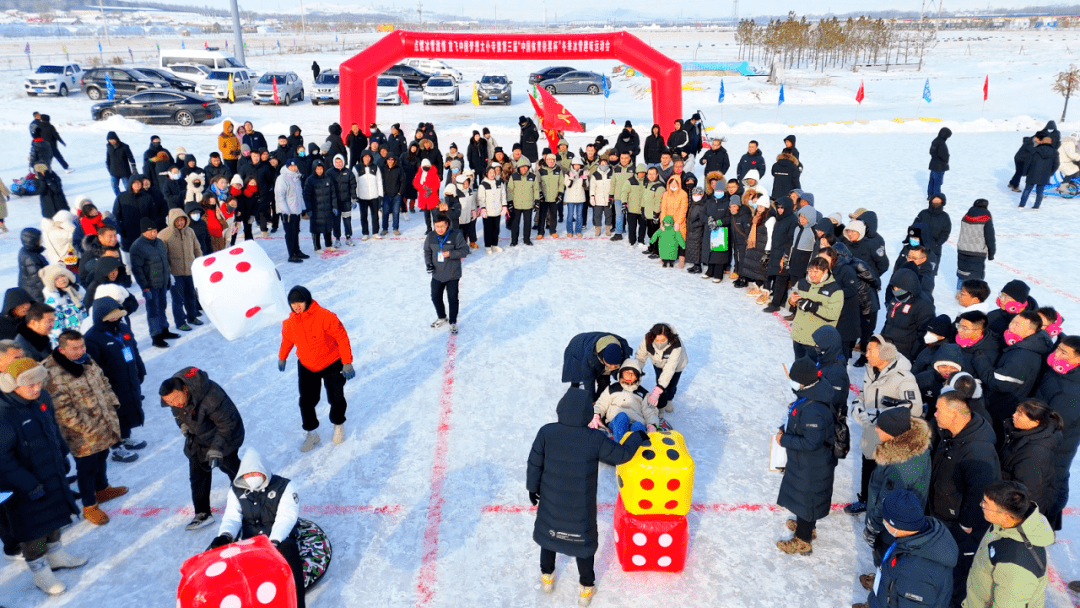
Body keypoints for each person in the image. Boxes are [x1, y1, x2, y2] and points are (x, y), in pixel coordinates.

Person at [527, 386, 647, 606]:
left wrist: (532, 487)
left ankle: (547, 578)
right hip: (580, 510)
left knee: (549, 539)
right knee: (583, 548)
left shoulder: (546, 432)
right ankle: (585, 589)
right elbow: (621, 455)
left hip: (551, 505)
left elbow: (535, 462)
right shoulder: (594, 438)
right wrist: (637, 436)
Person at [0, 357, 87, 595]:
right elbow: (3, 458)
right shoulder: (4, 412)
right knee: (34, 529)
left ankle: (57, 555)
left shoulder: (42, 398)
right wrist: (29, 484)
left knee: (56, 515)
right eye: (30, 385)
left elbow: (52, 429)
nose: (37, 389)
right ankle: (41, 573)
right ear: (11, 384)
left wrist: (62, 453)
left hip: (50, 471)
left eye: (40, 383)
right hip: (22, 486)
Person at [42, 330, 128, 526]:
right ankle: (90, 505)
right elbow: (62, 410)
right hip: (82, 432)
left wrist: (112, 406)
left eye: (82, 346)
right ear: (62, 349)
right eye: (75, 348)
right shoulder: (51, 371)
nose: (81, 351)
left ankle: (103, 489)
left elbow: (102, 381)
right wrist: (88, 428)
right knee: (86, 468)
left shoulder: (86, 359)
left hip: (103, 421)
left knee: (102, 456)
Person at [207, 449, 307, 608]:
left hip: (278, 540)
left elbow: (286, 517)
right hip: (250, 542)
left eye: (255, 473)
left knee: (290, 549)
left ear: (263, 471)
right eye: (247, 474)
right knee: (214, 551)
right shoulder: (236, 490)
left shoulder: (285, 487)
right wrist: (225, 535)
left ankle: (298, 604)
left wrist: (273, 542)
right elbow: (233, 516)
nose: (251, 477)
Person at [929, 392, 1001, 607]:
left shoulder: (978, 449)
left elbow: (981, 492)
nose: (934, 414)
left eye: (938, 410)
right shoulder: (952, 435)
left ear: (953, 414)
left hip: (960, 528)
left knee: (957, 574)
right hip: (943, 517)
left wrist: (965, 524)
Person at [160, 367, 244, 531]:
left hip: (225, 436)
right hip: (199, 438)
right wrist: (183, 425)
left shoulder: (211, 395)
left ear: (184, 389)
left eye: (176, 398)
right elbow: (179, 413)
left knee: (231, 467)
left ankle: (249, 497)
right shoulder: (174, 397)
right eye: (169, 402)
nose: (175, 403)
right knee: (197, 475)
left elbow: (228, 424)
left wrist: (216, 449)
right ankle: (202, 513)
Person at [848, 335, 924, 513]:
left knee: (886, 475)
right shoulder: (871, 369)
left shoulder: (904, 377)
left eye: (870, 351)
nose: (865, 354)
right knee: (867, 466)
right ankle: (866, 500)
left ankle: (883, 509)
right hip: (870, 432)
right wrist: (857, 406)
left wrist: (877, 415)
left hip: (890, 438)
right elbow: (864, 394)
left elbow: (914, 408)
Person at [278, 286, 354, 453]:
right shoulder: (289, 323)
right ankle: (312, 433)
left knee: (336, 397)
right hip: (306, 365)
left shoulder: (325, 316)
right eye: (293, 303)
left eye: (300, 301)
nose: (296, 306)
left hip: (331, 362)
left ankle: (338, 424)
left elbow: (341, 337)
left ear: (308, 300)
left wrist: (347, 362)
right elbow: (287, 340)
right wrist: (282, 357)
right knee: (306, 401)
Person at [852, 489, 958, 608]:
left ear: (896, 524)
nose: (883, 521)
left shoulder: (916, 573)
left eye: (885, 518)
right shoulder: (917, 536)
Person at [776, 356, 837, 555]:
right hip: (807, 462)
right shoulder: (812, 393)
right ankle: (806, 526)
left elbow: (811, 442)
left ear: (804, 382)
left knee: (808, 499)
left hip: (813, 463)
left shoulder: (815, 410)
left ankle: (803, 540)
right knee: (805, 498)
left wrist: (784, 440)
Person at [964, 481, 1054, 608]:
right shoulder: (1006, 523)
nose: (981, 505)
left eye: (986, 504)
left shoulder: (1016, 566)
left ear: (1006, 516)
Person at [861, 408, 933, 566]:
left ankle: (881, 582)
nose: (877, 429)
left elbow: (887, 502)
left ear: (892, 432)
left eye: (880, 427)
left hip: (892, 528)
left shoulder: (899, 466)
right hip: (905, 522)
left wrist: (873, 528)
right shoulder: (915, 447)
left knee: (885, 559)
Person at [84, 298, 146, 463]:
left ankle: (125, 437)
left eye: (117, 314)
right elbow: (92, 367)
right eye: (111, 315)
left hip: (128, 377)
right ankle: (116, 448)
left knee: (128, 409)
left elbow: (134, 349)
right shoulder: (92, 338)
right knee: (113, 414)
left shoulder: (123, 328)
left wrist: (140, 368)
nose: (115, 318)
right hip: (111, 383)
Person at [979, 311, 1053, 441]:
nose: (1011, 326)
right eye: (1012, 322)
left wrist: (980, 361)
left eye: (1017, 325)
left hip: (1001, 409)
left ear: (1030, 332)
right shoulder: (1024, 346)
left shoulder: (1022, 355)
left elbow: (997, 383)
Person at [1034, 335, 1080, 531]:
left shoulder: (1072, 390)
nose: (1057, 353)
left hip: (1057, 444)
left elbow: (1058, 423)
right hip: (1048, 437)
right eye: (1058, 348)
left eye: (1064, 352)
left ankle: (1046, 526)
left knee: (1051, 483)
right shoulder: (1060, 371)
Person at [999, 399, 1062, 519]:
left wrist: (1017, 517)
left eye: (1019, 413)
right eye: (1016, 410)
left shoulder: (1034, 454)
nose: (1014, 415)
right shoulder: (1024, 434)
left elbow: (1028, 491)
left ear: (1035, 422)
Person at [129, 218, 174, 348]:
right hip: (150, 286)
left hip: (162, 283)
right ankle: (156, 336)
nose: (153, 234)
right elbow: (137, 269)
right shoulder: (137, 246)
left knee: (162, 307)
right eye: (150, 232)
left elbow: (165, 262)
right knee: (153, 311)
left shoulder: (159, 242)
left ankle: (164, 330)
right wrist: (145, 286)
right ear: (143, 232)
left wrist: (168, 279)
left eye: (154, 231)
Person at [788, 256, 843, 360]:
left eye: (816, 271)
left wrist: (813, 307)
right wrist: (791, 302)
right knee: (799, 370)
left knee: (813, 374)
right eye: (810, 271)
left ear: (825, 271)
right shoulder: (801, 283)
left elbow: (833, 315)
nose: (812, 275)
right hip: (798, 337)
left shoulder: (835, 290)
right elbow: (789, 305)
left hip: (816, 343)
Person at [588, 358, 658, 440]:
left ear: (637, 377)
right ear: (621, 374)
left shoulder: (643, 393)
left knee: (638, 426)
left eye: (633, 374)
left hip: (635, 421)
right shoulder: (612, 389)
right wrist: (596, 414)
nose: (630, 376)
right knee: (622, 416)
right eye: (627, 373)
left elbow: (650, 412)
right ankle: (620, 447)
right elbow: (601, 404)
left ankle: (641, 449)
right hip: (616, 422)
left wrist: (652, 424)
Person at [159, 208, 203, 332]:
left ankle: (192, 317)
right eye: (177, 220)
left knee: (191, 296)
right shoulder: (164, 235)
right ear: (172, 221)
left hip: (190, 271)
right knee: (178, 300)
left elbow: (197, 248)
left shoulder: (190, 232)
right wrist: (168, 273)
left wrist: (200, 263)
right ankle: (180, 322)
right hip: (175, 273)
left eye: (182, 220)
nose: (180, 223)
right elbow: (163, 257)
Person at [424, 215, 469, 334]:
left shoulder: (456, 235)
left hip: (453, 274)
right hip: (437, 274)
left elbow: (465, 250)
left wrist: (451, 253)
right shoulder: (431, 236)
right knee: (435, 297)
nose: (439, 229)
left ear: (447, 225)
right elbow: (427, 251)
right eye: (437, 226)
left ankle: (453, 322)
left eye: (442, 226)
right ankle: (442, 317)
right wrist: (428, 264)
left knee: (453, 299)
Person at [881, 268, 936, 362]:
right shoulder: (896, 300)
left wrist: (913, 355)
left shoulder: (924, 306)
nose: (895, 290)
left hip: (905, 355)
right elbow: (888, 322)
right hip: (888, 350)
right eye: (894, 287)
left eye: (899, 288)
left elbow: (923, 335)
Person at [634, 323, 687, 415]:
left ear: (668, 337)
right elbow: (640, 357)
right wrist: (635, 372)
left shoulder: (675, 344)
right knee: (660, 383)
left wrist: (660, 387)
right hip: (658, 363)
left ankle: (669, 399)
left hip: (676, 366)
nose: (659, 343)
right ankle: (661, 405)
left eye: (663, 340)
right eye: (657, 340)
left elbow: (670, 368)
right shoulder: (647, 340)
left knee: (671, 385)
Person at [956, 199, 996, 289]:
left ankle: (959, 293)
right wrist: (991, 253)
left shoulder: (965, 217)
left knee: (962, 273)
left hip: (962, 249)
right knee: (975, 276)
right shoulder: (986, 219)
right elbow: (990, 237)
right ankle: (972, 297)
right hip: (977, 252)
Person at [40, 266, 85, 345]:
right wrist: (61, 343)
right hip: (71, 339)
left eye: (63, 275)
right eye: (56, 278)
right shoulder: (53, 300)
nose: (62, 279)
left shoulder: (77, 290)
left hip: (85, 330)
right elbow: (55, 326)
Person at [276, 159, 307, 263]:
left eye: (295, 166)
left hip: (296, 210)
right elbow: (280, 196)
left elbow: (300, 195)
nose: (293, 168)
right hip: (288, 212)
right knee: (290, 233)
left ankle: (297, 251)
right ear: (287, 166)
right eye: (291, 166)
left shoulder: (297, 177)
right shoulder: (282, 178)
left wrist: (303, 208)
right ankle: (292, 254)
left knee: (296, 231)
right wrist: (284, 212)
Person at [1019, 132, 1058, 210]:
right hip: (1045, 174)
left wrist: (1025, 172)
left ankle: (1022, 205)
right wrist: (1050, 173)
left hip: (1032, 173)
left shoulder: (1035, 150)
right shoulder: (1054, 152)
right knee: (1040, 191)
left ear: (1042, 141)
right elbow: (1056, 165)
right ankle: (1036, 207)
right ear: (1050, 142)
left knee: (1027, 189)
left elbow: (1028, 162)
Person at [415, 158, 442, 234]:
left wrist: (431, 190)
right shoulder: (419, 174)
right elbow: (415, 183)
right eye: (424, 166)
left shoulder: (434, 173)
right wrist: (422, 187)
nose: (426, 167)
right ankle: (428, 228)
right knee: (426, 215)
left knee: (435, 215)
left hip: (432, 197)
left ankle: (436, 229)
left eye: (427, 166)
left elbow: (437, 184)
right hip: (423, 198)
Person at [105, 131, 137, 196]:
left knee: (128, 188)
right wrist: (109, 168)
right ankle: (120, 199)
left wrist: (133, 167)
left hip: (124, 172)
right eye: (110, 140)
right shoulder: (109, 147)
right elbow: (108, 159)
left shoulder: (124, 147)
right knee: (114, 187)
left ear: (116, 138)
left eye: (112, 139)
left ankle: (130, 198)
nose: (111, 141)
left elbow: (131, 158)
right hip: (113, 172)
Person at [928, 127, 951, 197]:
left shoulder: (935, 141)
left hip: (933, 165)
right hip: (939, 166)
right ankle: (936, 198)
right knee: (937, 183)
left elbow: (931, 152)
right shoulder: (941, 143)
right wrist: (946, 159)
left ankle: (930, 195)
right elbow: (943, 155)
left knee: (932, 182)